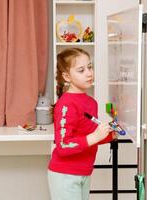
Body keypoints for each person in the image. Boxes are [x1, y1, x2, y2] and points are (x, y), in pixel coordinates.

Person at [48, 48, 115, 200]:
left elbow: (91, 137)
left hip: (84, 172)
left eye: (90, 67)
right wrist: (95, 136)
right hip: (65, 175)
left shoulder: (91, 103)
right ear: (67, 76)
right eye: (81, 70)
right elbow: (63, 145)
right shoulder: (66, 104)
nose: (89, 73)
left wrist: (111, 134)